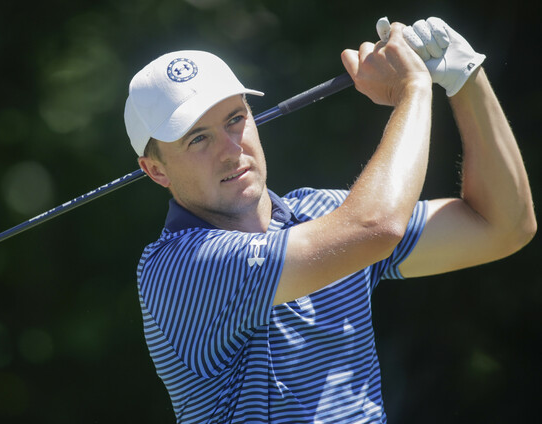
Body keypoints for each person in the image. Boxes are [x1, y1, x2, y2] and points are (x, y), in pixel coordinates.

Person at [123, 17, 536, 424]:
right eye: (198, 138)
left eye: (235, 119)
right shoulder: (177, 268)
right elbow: (376, 227)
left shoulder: (326, 214)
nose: (231, 150)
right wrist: (413, 89)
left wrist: (466, 78)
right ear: (156, 170)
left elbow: (502, 226)